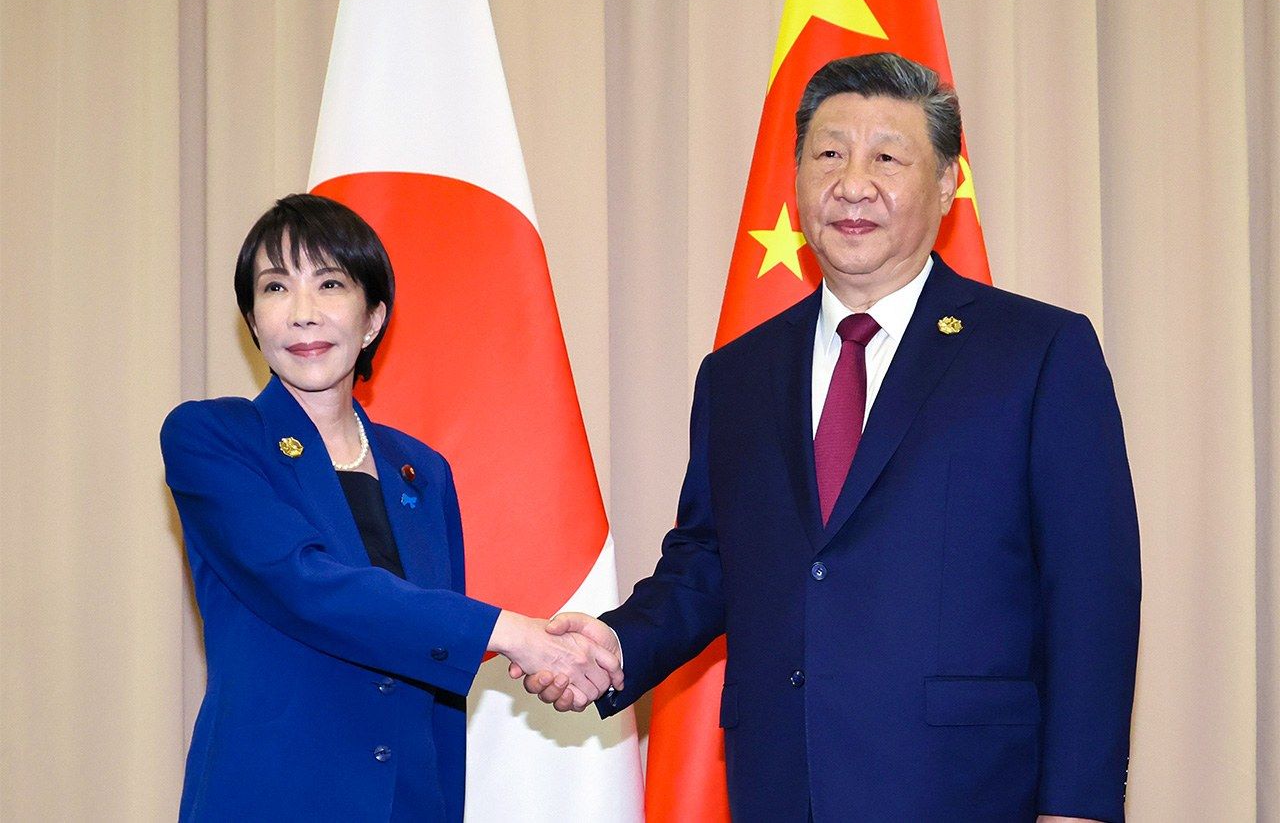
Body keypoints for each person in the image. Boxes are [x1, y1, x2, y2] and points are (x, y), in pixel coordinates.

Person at [525, 53, 1141, 822]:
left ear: (948, 183)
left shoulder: (1038, 351)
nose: (853, 183)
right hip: (783, 783)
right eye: (829, 153)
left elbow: (1092, 593)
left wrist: (1077, 805)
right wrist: (616, 646)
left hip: (968, 788)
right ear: (797, 179)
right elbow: (709, 559)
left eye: (887, 156)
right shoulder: (737, 373)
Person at [160, 194, 622, 822]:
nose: (302, 313)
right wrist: (511, 633)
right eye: (275, 287)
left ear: (373, 318)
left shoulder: (423, 472)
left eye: (329, 283)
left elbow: (434, 684)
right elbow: (306, 584)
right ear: (252, 317)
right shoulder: (210, 437)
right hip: (269, 799)